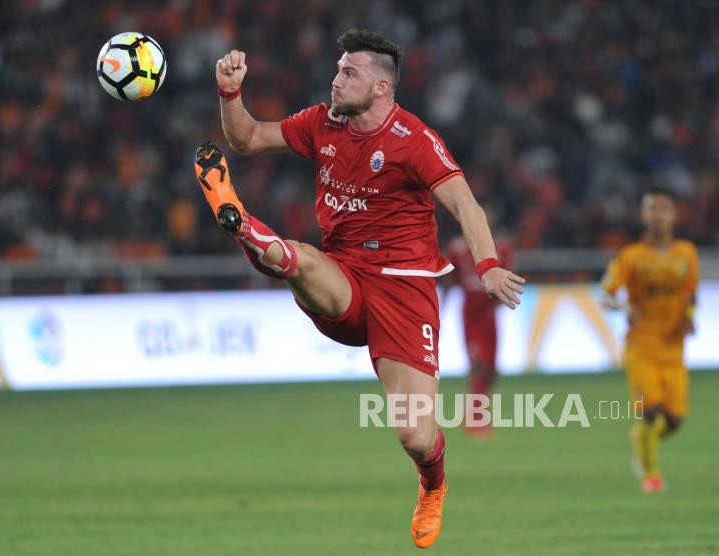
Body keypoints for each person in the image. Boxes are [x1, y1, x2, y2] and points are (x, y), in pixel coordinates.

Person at [194, 29, 525, 548]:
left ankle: (432, 484)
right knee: (298, 259)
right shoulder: (322, 123)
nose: (336, 78)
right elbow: (247, 138)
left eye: (349, 72)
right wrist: (230, 93)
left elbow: (465, 205)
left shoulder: (414, 140)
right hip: (345, 277)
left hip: (404, 290)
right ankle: (240, 222)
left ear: (381, 87)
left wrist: (486, 266)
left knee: (415, 435)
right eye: (337, 68)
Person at [601, 188, 699, 493]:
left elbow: (690, 292)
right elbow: (606, 294)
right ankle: (651, 474)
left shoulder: (687, 253)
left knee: (674, 420)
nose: (658, 216)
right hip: (641, 347)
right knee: (651, 412)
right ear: (644, 215)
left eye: (664, 209)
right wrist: (625, 306)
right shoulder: (631, 256)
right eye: (652, 209)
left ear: (673, 215)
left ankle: (641, 438)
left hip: (673, 350)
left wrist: (689, 316)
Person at [445, 206, 514, 438]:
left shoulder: (501, 248)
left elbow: (507, 276)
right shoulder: (457, 248)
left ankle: (475, 412)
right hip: (470, 313)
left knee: (492, 370)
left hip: (489, 313)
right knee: (479, 366)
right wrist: (441, 305)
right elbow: (449, 278)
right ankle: (476, 420)